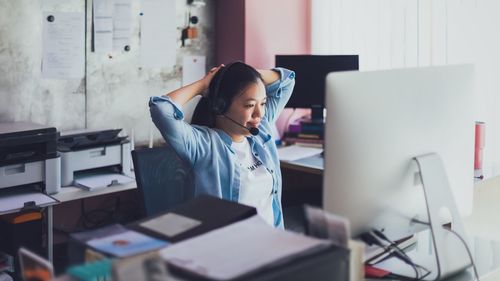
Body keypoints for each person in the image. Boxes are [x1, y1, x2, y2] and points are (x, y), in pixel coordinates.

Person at [149, 61, 295, 228]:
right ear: (221, 106)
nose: (259, 113)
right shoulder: (203, 145)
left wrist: (246, 74)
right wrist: (203, 85)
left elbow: (287, 80)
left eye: (262, 103)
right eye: (250, 105)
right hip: (229, 248)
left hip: (272, 244)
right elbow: (161, 109)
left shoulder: (261, 132)